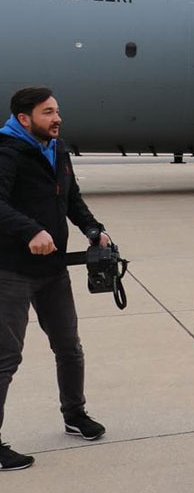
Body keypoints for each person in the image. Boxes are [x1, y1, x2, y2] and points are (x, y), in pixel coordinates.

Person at [0, 87, 110, 471]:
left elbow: (71, 198)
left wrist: (93, 229)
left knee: (69, 346)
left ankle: (74, 415)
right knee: (6, 358)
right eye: (48, 113)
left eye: (57, 111)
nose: (57, 118)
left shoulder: (56, 148)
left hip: (53, 270)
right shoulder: (7, 151)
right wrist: (30, 231)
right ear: (24, 118)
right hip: (10, 271)